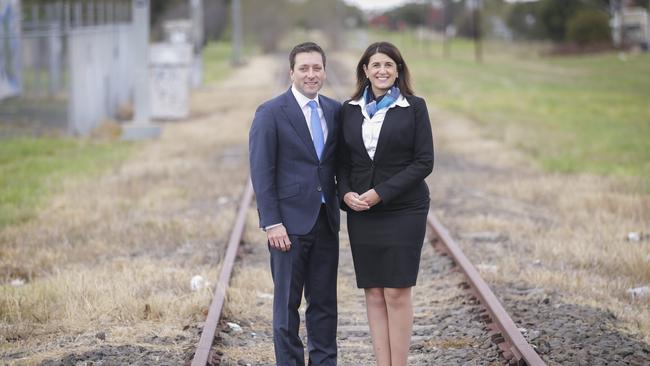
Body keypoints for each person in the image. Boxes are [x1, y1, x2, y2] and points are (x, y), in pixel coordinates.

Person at [337, 41, 434, 366]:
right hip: (361, 212)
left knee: (396, 290)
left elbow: (424, 162)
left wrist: (380, 193)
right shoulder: (349, 109)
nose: (382, 71)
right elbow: (342, 163)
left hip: (404, 209)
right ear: (365, 70)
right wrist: (346, 194)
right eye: (375, 65)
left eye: (388, 65)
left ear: (398, 71)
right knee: (374, 292)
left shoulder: (414, 107)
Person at [249, 42, 341, 366]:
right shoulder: (271, 112)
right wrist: (272, 222)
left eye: (317, 68)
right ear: (291, 72)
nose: (311, 74)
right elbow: (262, 171)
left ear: (324, 72)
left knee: (325, 305)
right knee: (286, 308)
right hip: (287, 227)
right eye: (304, 68)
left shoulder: (334, 110)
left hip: (326, 222)